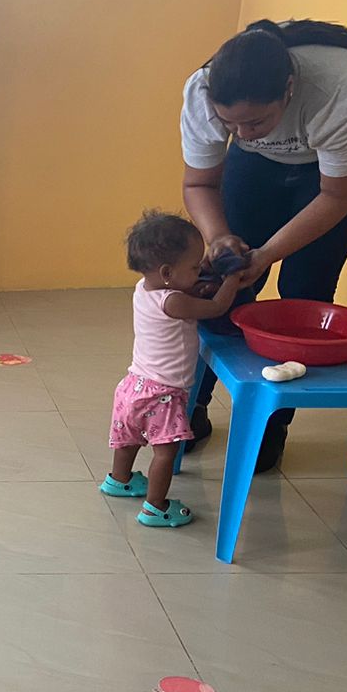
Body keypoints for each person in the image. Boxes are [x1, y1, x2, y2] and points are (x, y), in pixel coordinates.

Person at [181, 18, 347, 470]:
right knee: (224, 277)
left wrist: (267, 254)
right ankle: (191, 410)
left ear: (289, 89)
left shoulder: (340, 87)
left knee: (305, 287)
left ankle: (271, 424)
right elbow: (199, 183)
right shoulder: (203, 91)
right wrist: (219, 238)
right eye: (229, 123)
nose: (242, 134)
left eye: (255, 121)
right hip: (263, 162)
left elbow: (336, 196)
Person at [101, 211, 260, 528]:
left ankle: (119, 480)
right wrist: (231, 279)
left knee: (129, 439)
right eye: (195, 267)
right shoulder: (174, 302)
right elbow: (216, 307)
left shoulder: (144, 288)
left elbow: (180, 293)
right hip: (164, 394)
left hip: (134, 385)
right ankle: (155, 507)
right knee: (165, 453)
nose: (201, 270)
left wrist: (194, 286)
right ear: (167, 272)